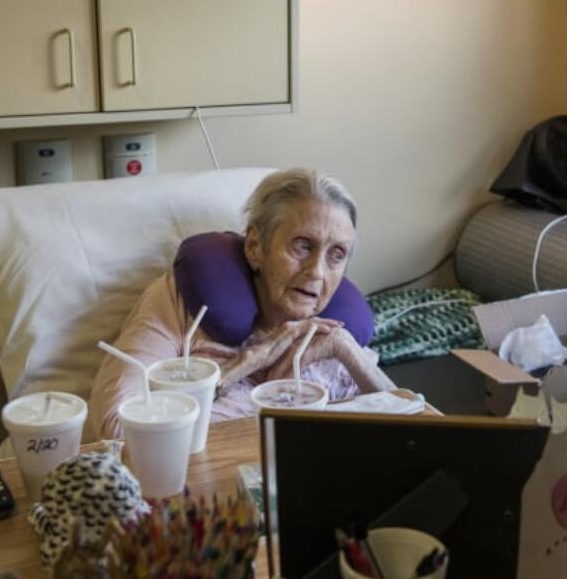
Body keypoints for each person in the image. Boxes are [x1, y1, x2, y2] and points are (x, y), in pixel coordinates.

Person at [87, 168, 395, 441]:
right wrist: (244, 364)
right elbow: (114, 424)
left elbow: (411, 431)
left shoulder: (333, 338)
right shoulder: (181, 304)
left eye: (336, 254)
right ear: (254, 246)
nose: (316, 271)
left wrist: (347, 350)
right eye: (302, 246)